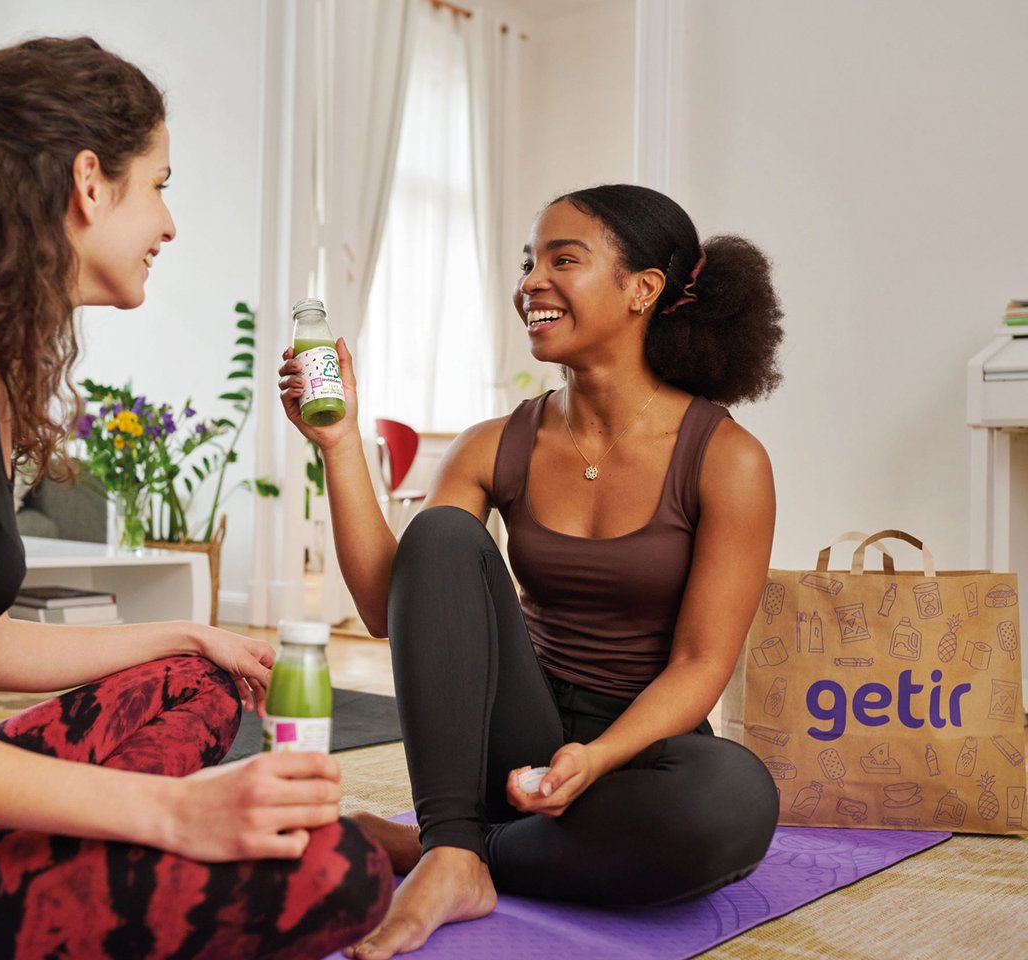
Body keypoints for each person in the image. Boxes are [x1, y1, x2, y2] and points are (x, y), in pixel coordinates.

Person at [0, 36, 390, 960]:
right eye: (160, 184)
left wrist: (186, 631)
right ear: (90, 182)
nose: (168, 224)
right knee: (338, 871)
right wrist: (170, 812)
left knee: (199, 680)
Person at [279, 183, 785, 958]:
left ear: (643, 290)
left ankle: (442, 852)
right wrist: (341, 444)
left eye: (564, 259)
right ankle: (455, 844)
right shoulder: (494, 443)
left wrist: (594, 760)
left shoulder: (727, 459)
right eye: (528, 262)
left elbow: (700, 664)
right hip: (508, 740)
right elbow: (393, 607)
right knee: (443, 534)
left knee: (734, 800)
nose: (530, 284)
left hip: (638, 751)